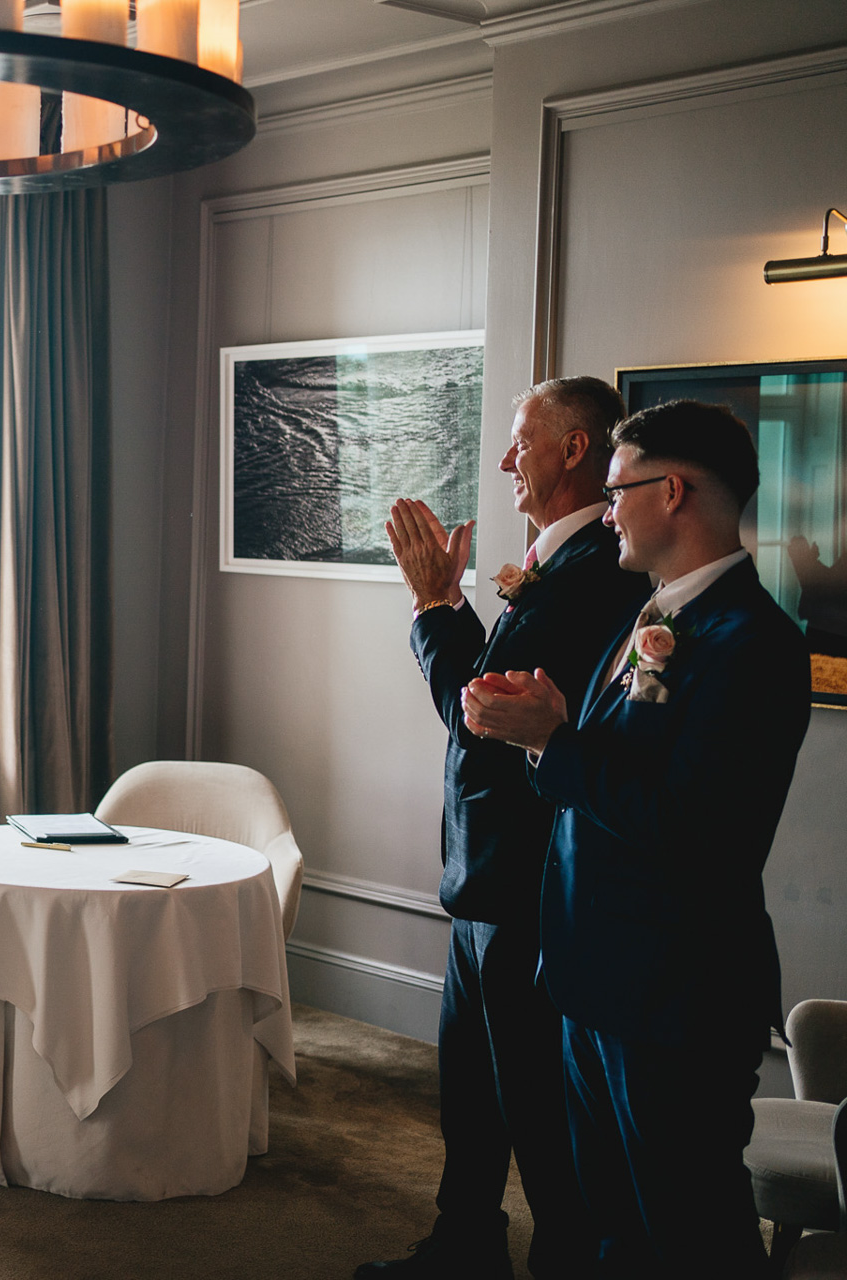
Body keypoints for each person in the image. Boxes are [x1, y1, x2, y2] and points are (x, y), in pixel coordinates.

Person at [464, 399, 811, 1279]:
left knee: (689, 1240)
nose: (607, 507)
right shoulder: (648, 616)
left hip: (675, 999)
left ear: (676, 491)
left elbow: (688, 827)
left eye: (618, 490)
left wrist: (552, 738)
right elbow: (601, 775)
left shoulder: (753, 642)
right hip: (591, 977)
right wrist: (543, 731)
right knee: (609, 1233)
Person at [360, 377, 650, 1279]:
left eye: (521, 440)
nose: (503, 459)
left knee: (535, 1109)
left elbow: (479, 717)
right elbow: (490, 695)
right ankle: (464, 1245)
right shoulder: (553, 569)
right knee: (473, 1097)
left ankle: (553, 1258)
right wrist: (450, 610)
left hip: (525, 887)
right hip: (482, 880)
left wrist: (437, 607)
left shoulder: (594, 574)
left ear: (575, 450)